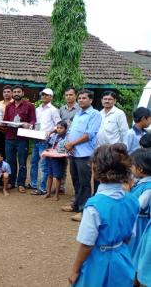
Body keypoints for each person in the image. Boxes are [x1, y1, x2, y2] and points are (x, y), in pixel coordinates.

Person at [68, 144, 139, 287]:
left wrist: (75, 270)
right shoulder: (132, 200)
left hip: (98, 261)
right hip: (122, 257)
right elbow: (130, 236)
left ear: (95, 169)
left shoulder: (94, 205)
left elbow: (87, 244)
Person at [63, 89, 102, 222]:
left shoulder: (94, 114)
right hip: (73, 152)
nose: (80, 100)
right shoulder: (78, 113)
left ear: (91, 100)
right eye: (79, 98)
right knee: (75, 180)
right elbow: (71, 131)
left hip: (85, 154)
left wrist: (72, 143)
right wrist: (68, 144)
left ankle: (84, 210)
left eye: (84, 98)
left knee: (84, 182)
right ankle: (76, 205)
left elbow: (89, 134)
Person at [3, 85, 36, 193]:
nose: (16, 93)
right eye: (15, 92)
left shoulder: (29, 106)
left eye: (18, 92)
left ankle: (21, 184)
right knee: (10, 161)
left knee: (22, 162)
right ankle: (12, 182)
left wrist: (28, 124)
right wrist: (5, 123)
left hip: (22, 138)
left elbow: (33, 121)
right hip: (9, 137)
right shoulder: (9, 106)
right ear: (13, 94)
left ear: (23, 93)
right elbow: (5, 120)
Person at [30, 88, 61, 195]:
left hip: (46, 140)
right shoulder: (37, 109)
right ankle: (33, 184)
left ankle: (42, 188)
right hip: (36, 139)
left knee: (43, 165)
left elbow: (58, 125)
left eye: (46, 95)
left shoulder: (53, 110)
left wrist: (49, 132)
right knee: (33, 162)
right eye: (42, 94)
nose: (44, 96)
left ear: (51, 97)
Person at [129, 149, 151, 265]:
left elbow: (139, 205)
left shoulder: (148, 187)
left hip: (140, 224)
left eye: (132, 165)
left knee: (136, 250)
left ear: (140, 169)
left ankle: (134, 279)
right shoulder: (141, 182)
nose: (131, 168)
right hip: (137, 221)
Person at [58, 87, 80, 194]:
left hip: (76, 141)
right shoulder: (61, 109)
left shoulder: (80, 109)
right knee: (62, 164)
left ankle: (77, 191)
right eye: (66, 95)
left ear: (75, 95)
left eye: (71, 95)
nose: (68, 97)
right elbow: (59, 125)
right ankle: (61, 186)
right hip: (63, 141)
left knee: (75, 166)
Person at [43, 121, 68, 201]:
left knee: (58, 176)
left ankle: (56, 195)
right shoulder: (54, 136)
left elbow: (66, 148)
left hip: (59, 159)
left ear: (66, 129)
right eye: (57, 128)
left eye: (61, 128)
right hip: (51, 157)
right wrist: (48, 148)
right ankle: (48, 192)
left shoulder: (67, 137)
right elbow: (50, 144)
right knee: (49, 175)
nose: (59, 130)